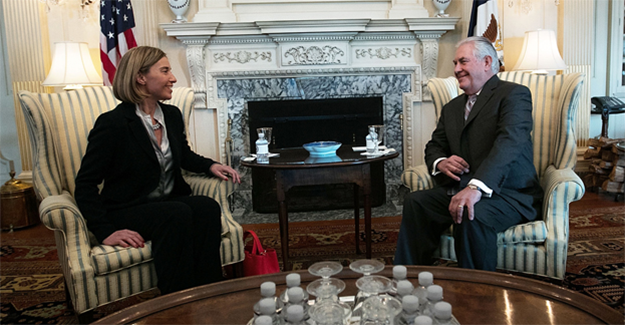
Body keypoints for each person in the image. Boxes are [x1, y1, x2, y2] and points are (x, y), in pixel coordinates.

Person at [74, 46, 241, 294]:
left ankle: (209, 291)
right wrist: (104, 231)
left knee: (206, 207)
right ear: (141, 77)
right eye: (165, 71)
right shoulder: (113, 124)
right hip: (127, 208)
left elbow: (183, 155)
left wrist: (210, 165)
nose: (173, 78)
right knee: (175, 213)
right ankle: (176, 299)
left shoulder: (171, 115)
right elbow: (85, 184)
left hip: (169, 203)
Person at [394, 37, 543, 271]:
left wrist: (475, 188)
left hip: (509, 194)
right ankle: (408, 279)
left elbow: (510, 142)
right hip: (462, 188)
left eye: (462, 61)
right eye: (455, 63)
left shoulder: (513, 95)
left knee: (470, 213)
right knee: (416, 202)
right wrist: (441, 162)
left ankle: (476, 294)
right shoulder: (452, 107)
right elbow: (434, 146)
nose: (456, 69)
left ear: (486, 62)